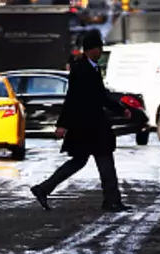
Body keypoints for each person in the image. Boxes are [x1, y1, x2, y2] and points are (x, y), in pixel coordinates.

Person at [30, 30, 132, 212]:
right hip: (88, 126)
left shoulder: (91, 67)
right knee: (102, 161)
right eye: (98, 48)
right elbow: (73, 98)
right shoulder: (82, 69)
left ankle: (43, 189)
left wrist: (119, 109)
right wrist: (62, 124)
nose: (100, 51)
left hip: (90, 126)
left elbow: (100, 95)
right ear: (90, 50)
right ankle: (111, 201)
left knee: (81, 161)